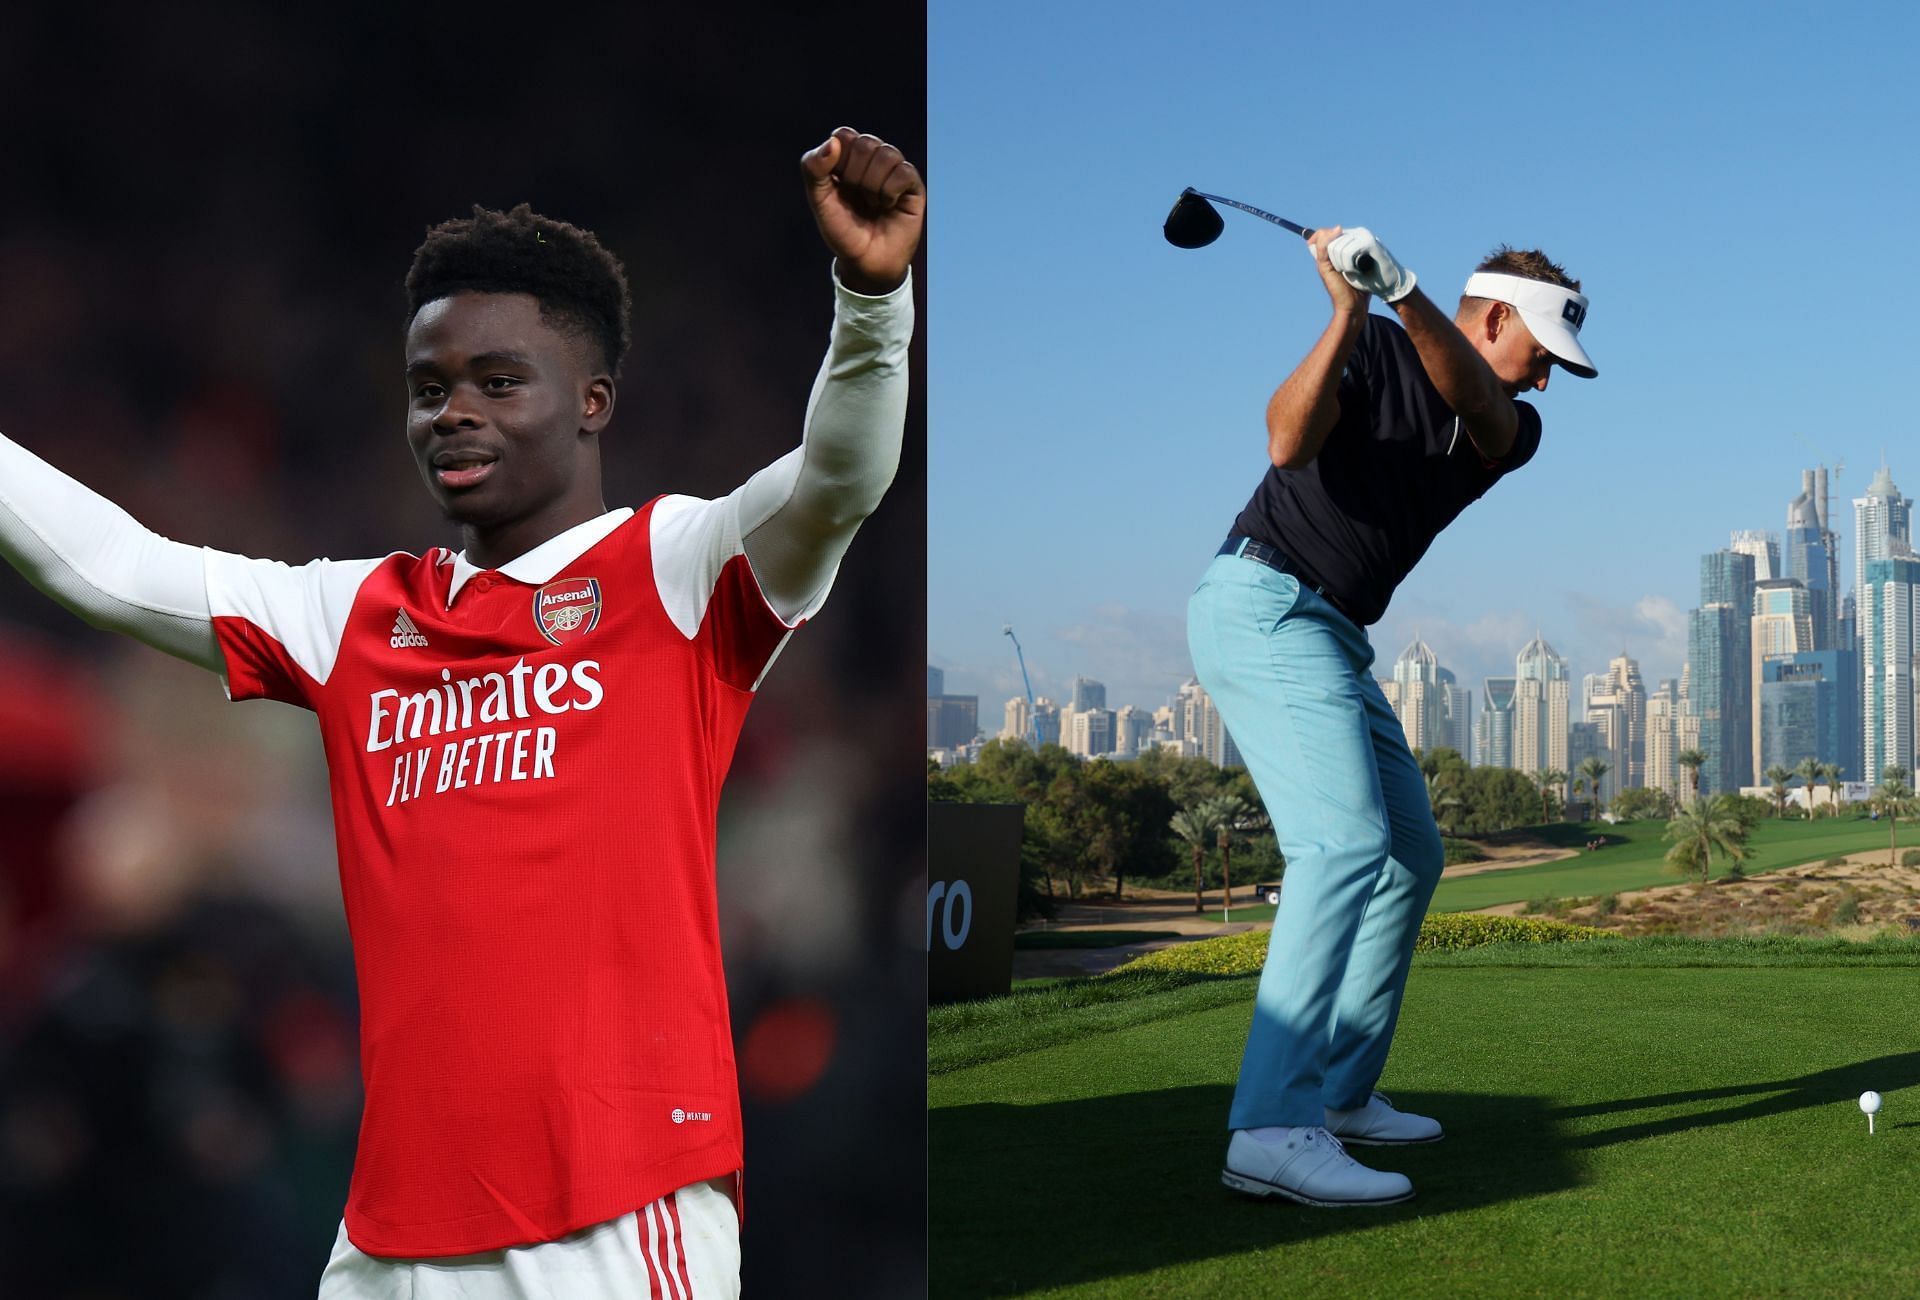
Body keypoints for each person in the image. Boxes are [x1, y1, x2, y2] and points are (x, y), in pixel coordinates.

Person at [0, 125, 921, 1295]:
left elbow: (840, 475)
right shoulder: (356, 617)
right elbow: (112, 567)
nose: (452, 412)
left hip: (613, 1223)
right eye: (429, 386)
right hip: (392, 1241)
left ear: (592, 400)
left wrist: (872, 297)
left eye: (497, 381)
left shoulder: (675, 568)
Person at [1187, 224, 1596, 1207]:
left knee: (1411, 849)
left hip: (1332, 634)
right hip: (1265, 604)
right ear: (1494, 316)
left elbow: (1484, 408)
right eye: (1540, 354)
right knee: (1340, 847)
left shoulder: (1510, 425)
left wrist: (1404, 288)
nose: (1544, 383)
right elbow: (1286, 440)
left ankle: (1337, 1094)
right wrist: (1349, 308)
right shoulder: (1367, 347)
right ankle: (1269, 1128)